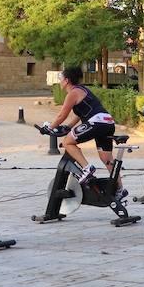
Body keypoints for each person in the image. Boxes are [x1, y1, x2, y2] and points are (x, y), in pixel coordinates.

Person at [44, 66, 124, 199]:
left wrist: (50, 127)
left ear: (67, 80)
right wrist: (68, 127)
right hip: (107, 122)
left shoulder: (73, 93)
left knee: (68, 142)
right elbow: (80, 115)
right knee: (107, 159)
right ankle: (120, 189)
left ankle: (87, 168)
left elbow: (61, 115)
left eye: (60, 78)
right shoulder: (83, 89)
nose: (59, 81)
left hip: (97, 122)